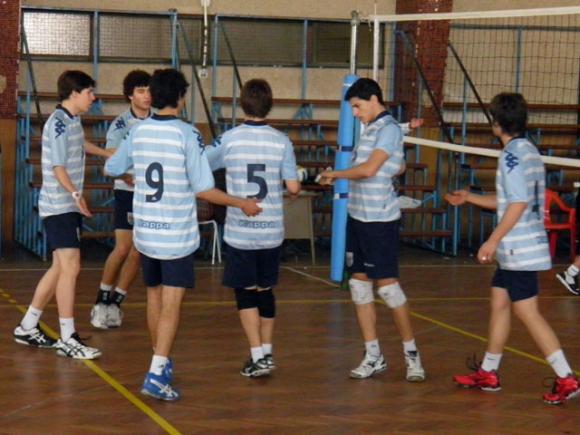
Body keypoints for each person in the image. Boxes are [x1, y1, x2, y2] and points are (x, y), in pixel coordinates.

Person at [105, 68, 262, 401]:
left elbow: (112, 167)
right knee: (171, 304)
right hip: (175, 235)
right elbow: (204, 188)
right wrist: (240, 203)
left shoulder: (138, 131)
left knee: (153, 296)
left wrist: (137, 170)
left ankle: (159, 360)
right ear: (180, 97)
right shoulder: (188, 134)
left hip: (146, 231)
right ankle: (156, 373)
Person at [446, 92, 579, 405]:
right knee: (500, 302)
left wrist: (492, 240)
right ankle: (488, 372)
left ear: (496, 124)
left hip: (520, 248)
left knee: (527, 311)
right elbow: (510, 200)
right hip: (518, 247)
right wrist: (470, 197)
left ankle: (567, 378)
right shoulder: (528, 150)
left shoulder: (510, 157)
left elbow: (517, 204)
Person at [319, 78, 426, 382]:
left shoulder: (387, 129)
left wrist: (335, 174)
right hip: (357, 218)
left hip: (380, 221)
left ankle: (412, 356)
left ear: (374, 99)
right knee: (358, 286)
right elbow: (391, 157)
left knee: (389, 289)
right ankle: (373, 355)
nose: (354, 113)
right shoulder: (375, 128)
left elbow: (369, 169)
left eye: (357, 106)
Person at [13, 70, 112, 359]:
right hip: (59, 206)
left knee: (60, 268)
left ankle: (28, 325)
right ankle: (68, 337)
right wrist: (75, 195)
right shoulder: (57, 123)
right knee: (71, 267)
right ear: (74, 93)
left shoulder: (73, 120)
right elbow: (58, 167)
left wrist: (108, 154)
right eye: (89, 92)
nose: (93, 97)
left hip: (67, 205)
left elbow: (79, 145)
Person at [206, 79, 301, 377]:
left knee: (245, 293)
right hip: (271, 230)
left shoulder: (229, 139)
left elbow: (201, 163)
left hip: (241, 231)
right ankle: (268, 353)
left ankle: (257, 355)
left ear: (242, 104)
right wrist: (290, 190)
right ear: (270, 105)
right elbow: (293, 187)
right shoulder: (282, 141)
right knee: (265, 290)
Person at [91, 70, 152, 329]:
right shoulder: (120, 124)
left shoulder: (157, 121)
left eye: (149, 91)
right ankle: (101, 300)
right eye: (141, 91)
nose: (147, 96)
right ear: (130, 95)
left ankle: (116, 303)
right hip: (127, 192)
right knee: (123, 248)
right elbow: (112, 156)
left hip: (150, 194)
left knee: (139, 251)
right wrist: (125, 172)